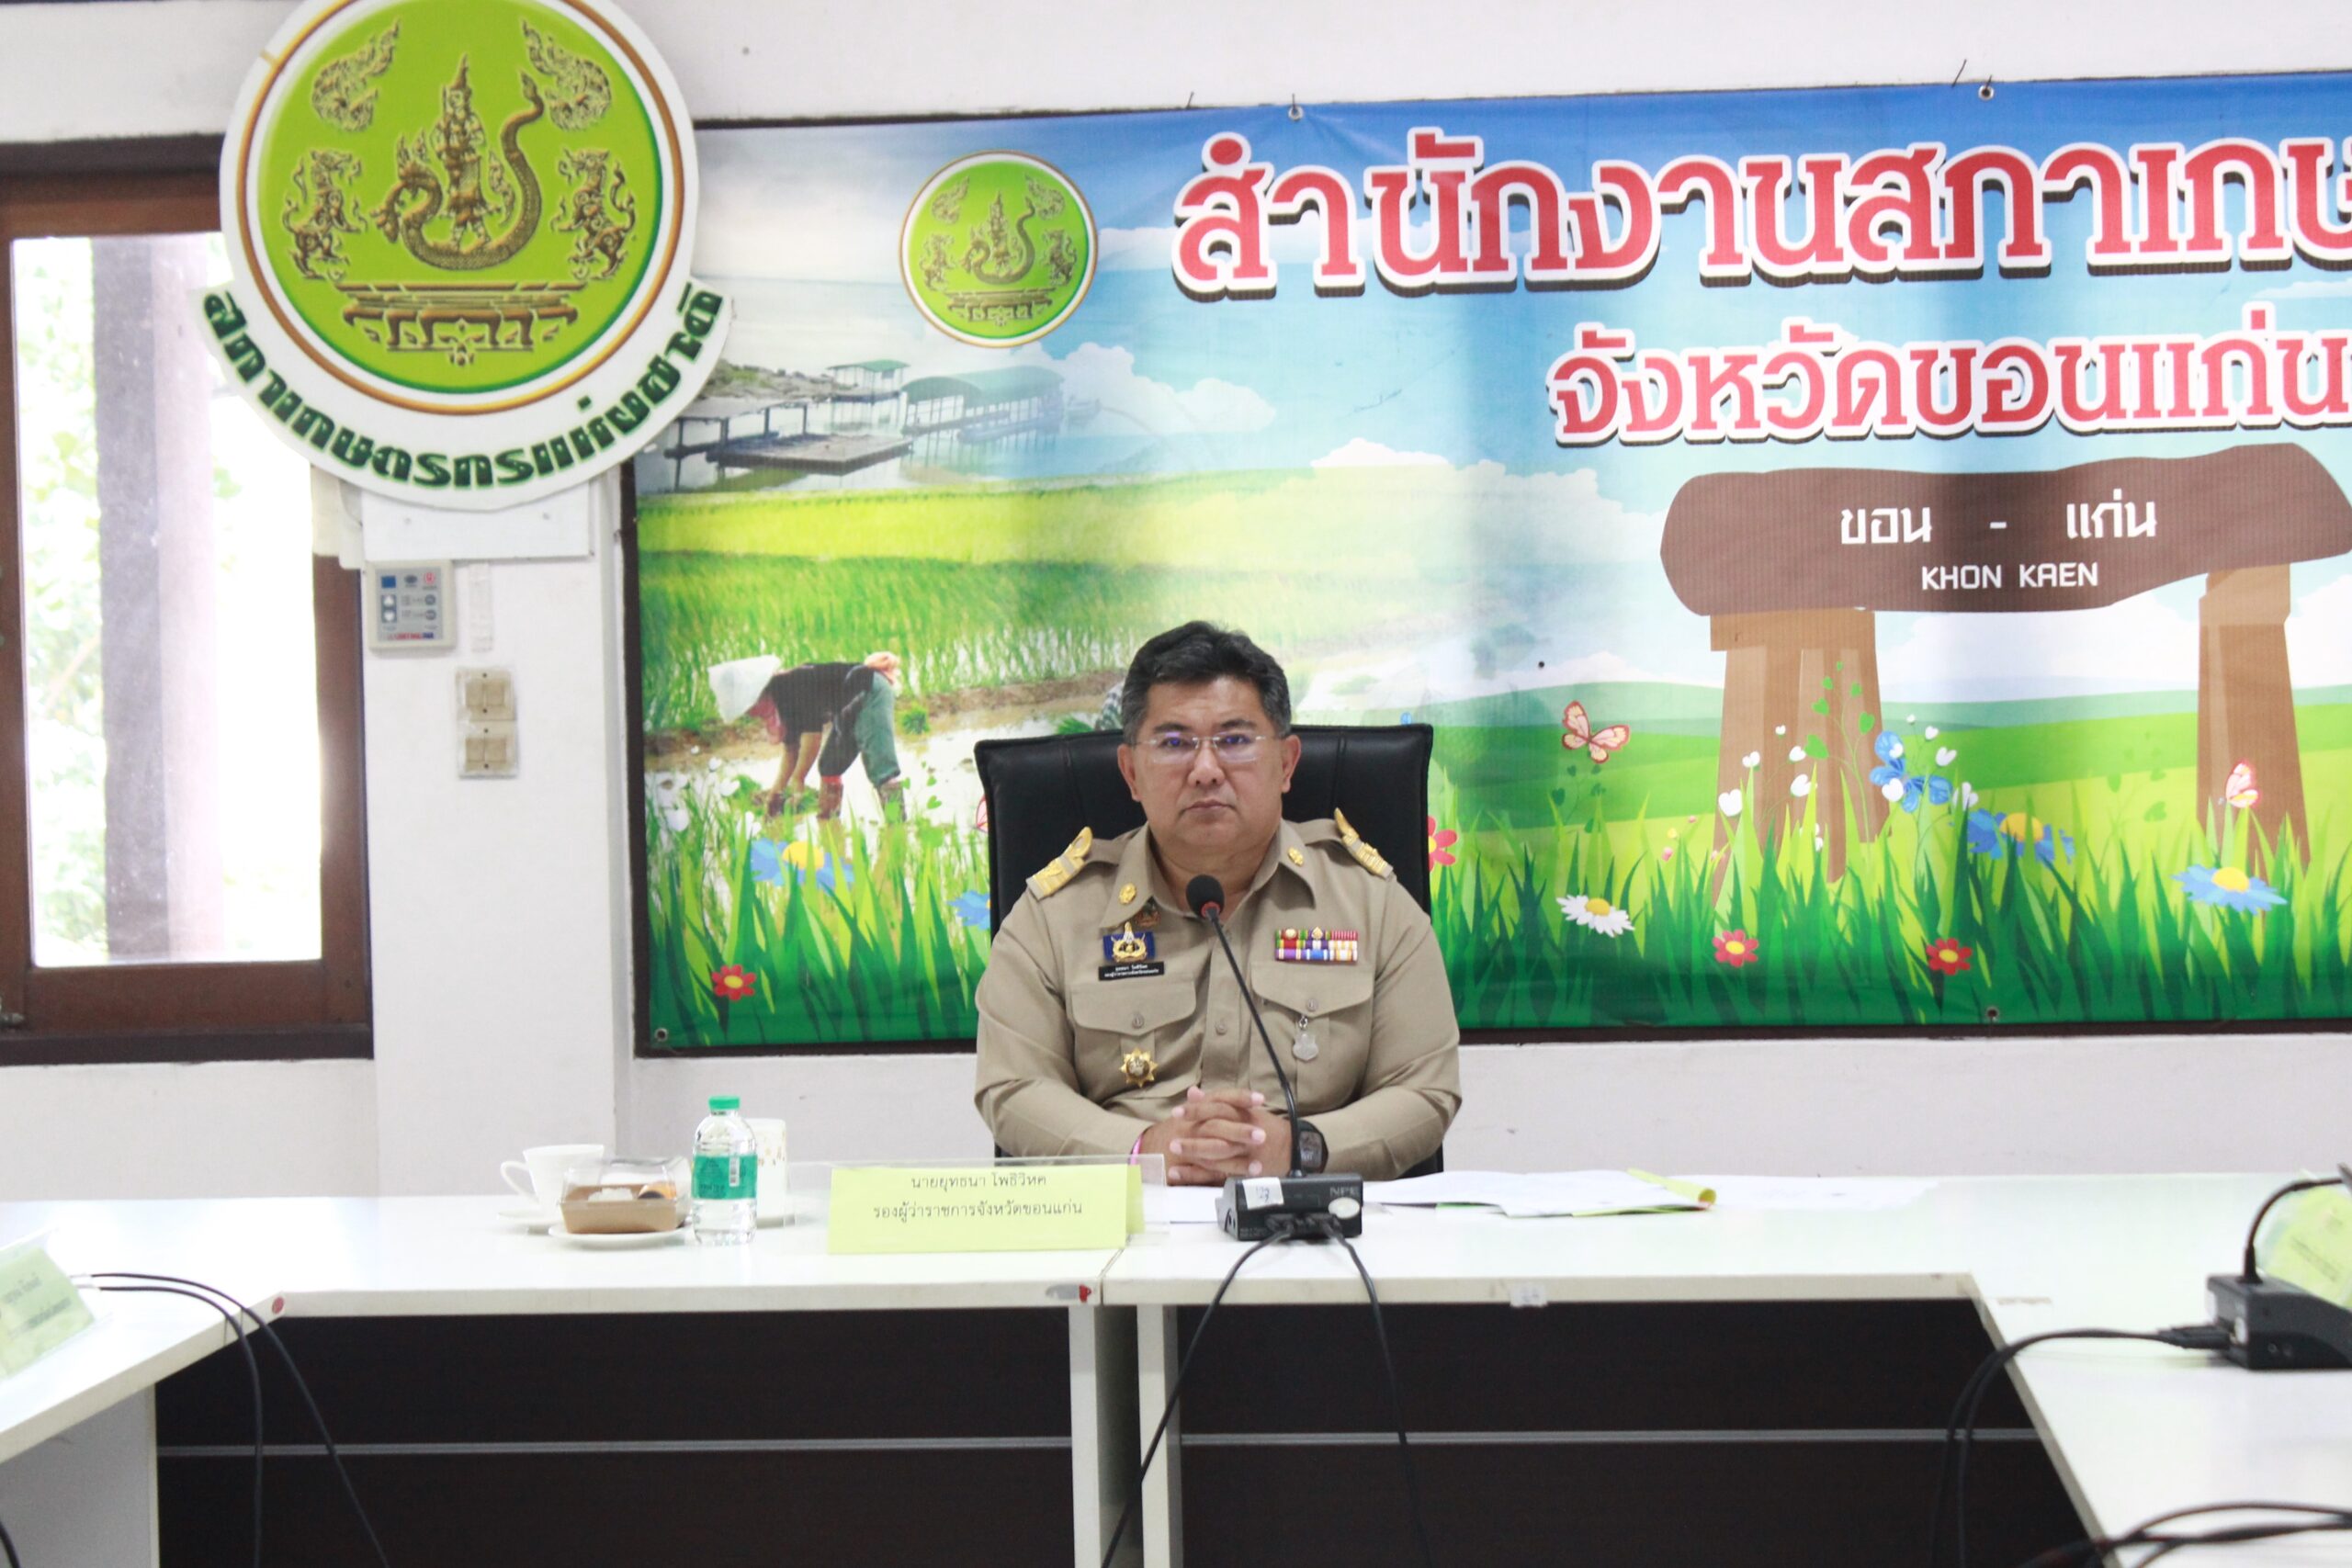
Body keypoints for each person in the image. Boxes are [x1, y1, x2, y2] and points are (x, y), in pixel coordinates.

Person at [974, 622, 1459, 1183]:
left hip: (1310, 1216)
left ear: (1287, 763)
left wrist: (1299, 1148)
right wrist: (1144, 1152)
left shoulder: (1371, 903)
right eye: (1174, 743)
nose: (1205, 771)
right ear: (1131, 773)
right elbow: (1013, 1086)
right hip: (1131, 1215)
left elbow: (1424, 1088)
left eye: (1234, 740)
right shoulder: (1055, 917)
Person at [707, 651, 906, 819]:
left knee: (881, 767)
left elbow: (812, 738)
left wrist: (798, 779)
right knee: (829, 766)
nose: (751, 714)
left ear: (756, 695)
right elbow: (791, 750)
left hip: (871, 690)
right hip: (848, 704)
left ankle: (897, 828)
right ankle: (829, 823)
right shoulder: (779, 698)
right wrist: (777, 791)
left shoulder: (790, 687)